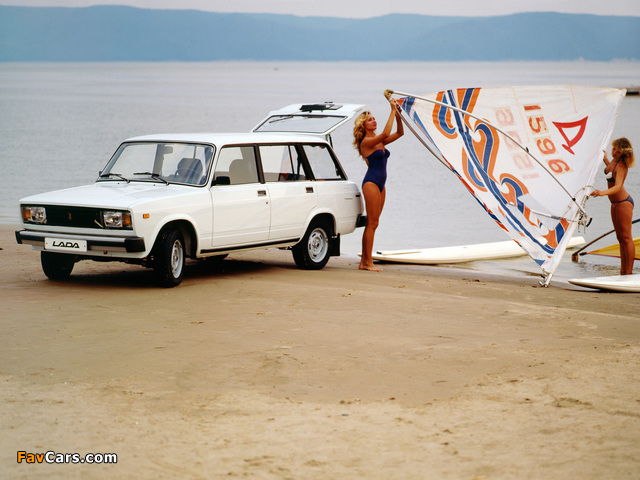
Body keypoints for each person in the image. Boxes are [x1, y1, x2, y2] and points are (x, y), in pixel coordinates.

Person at [353, 100, 404, 271]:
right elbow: (386, 133)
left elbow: (400, 133)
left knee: (374, 223)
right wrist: (392, 110)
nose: (374, 121)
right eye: (370, 120)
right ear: (363, 126)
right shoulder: (366, 142)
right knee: (372, 224)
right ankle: (368, 263)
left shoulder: (380, 141)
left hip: (381, 185)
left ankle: (364, 262)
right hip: (371, 183)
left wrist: (398, 115)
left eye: (374, 118)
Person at [590, 137, 636, 275]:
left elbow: (617, 187)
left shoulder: (622, 166)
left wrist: (602, 193)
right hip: (615, 204)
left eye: (617, 151)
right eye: (613, 149)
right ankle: (623, 271)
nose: (614, 152)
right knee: (620, 238)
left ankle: (629, 273)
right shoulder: (614, 162)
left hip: (623, 203)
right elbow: (610, 171)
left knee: (626, 238)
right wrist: (605, 158)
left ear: (623, 153)